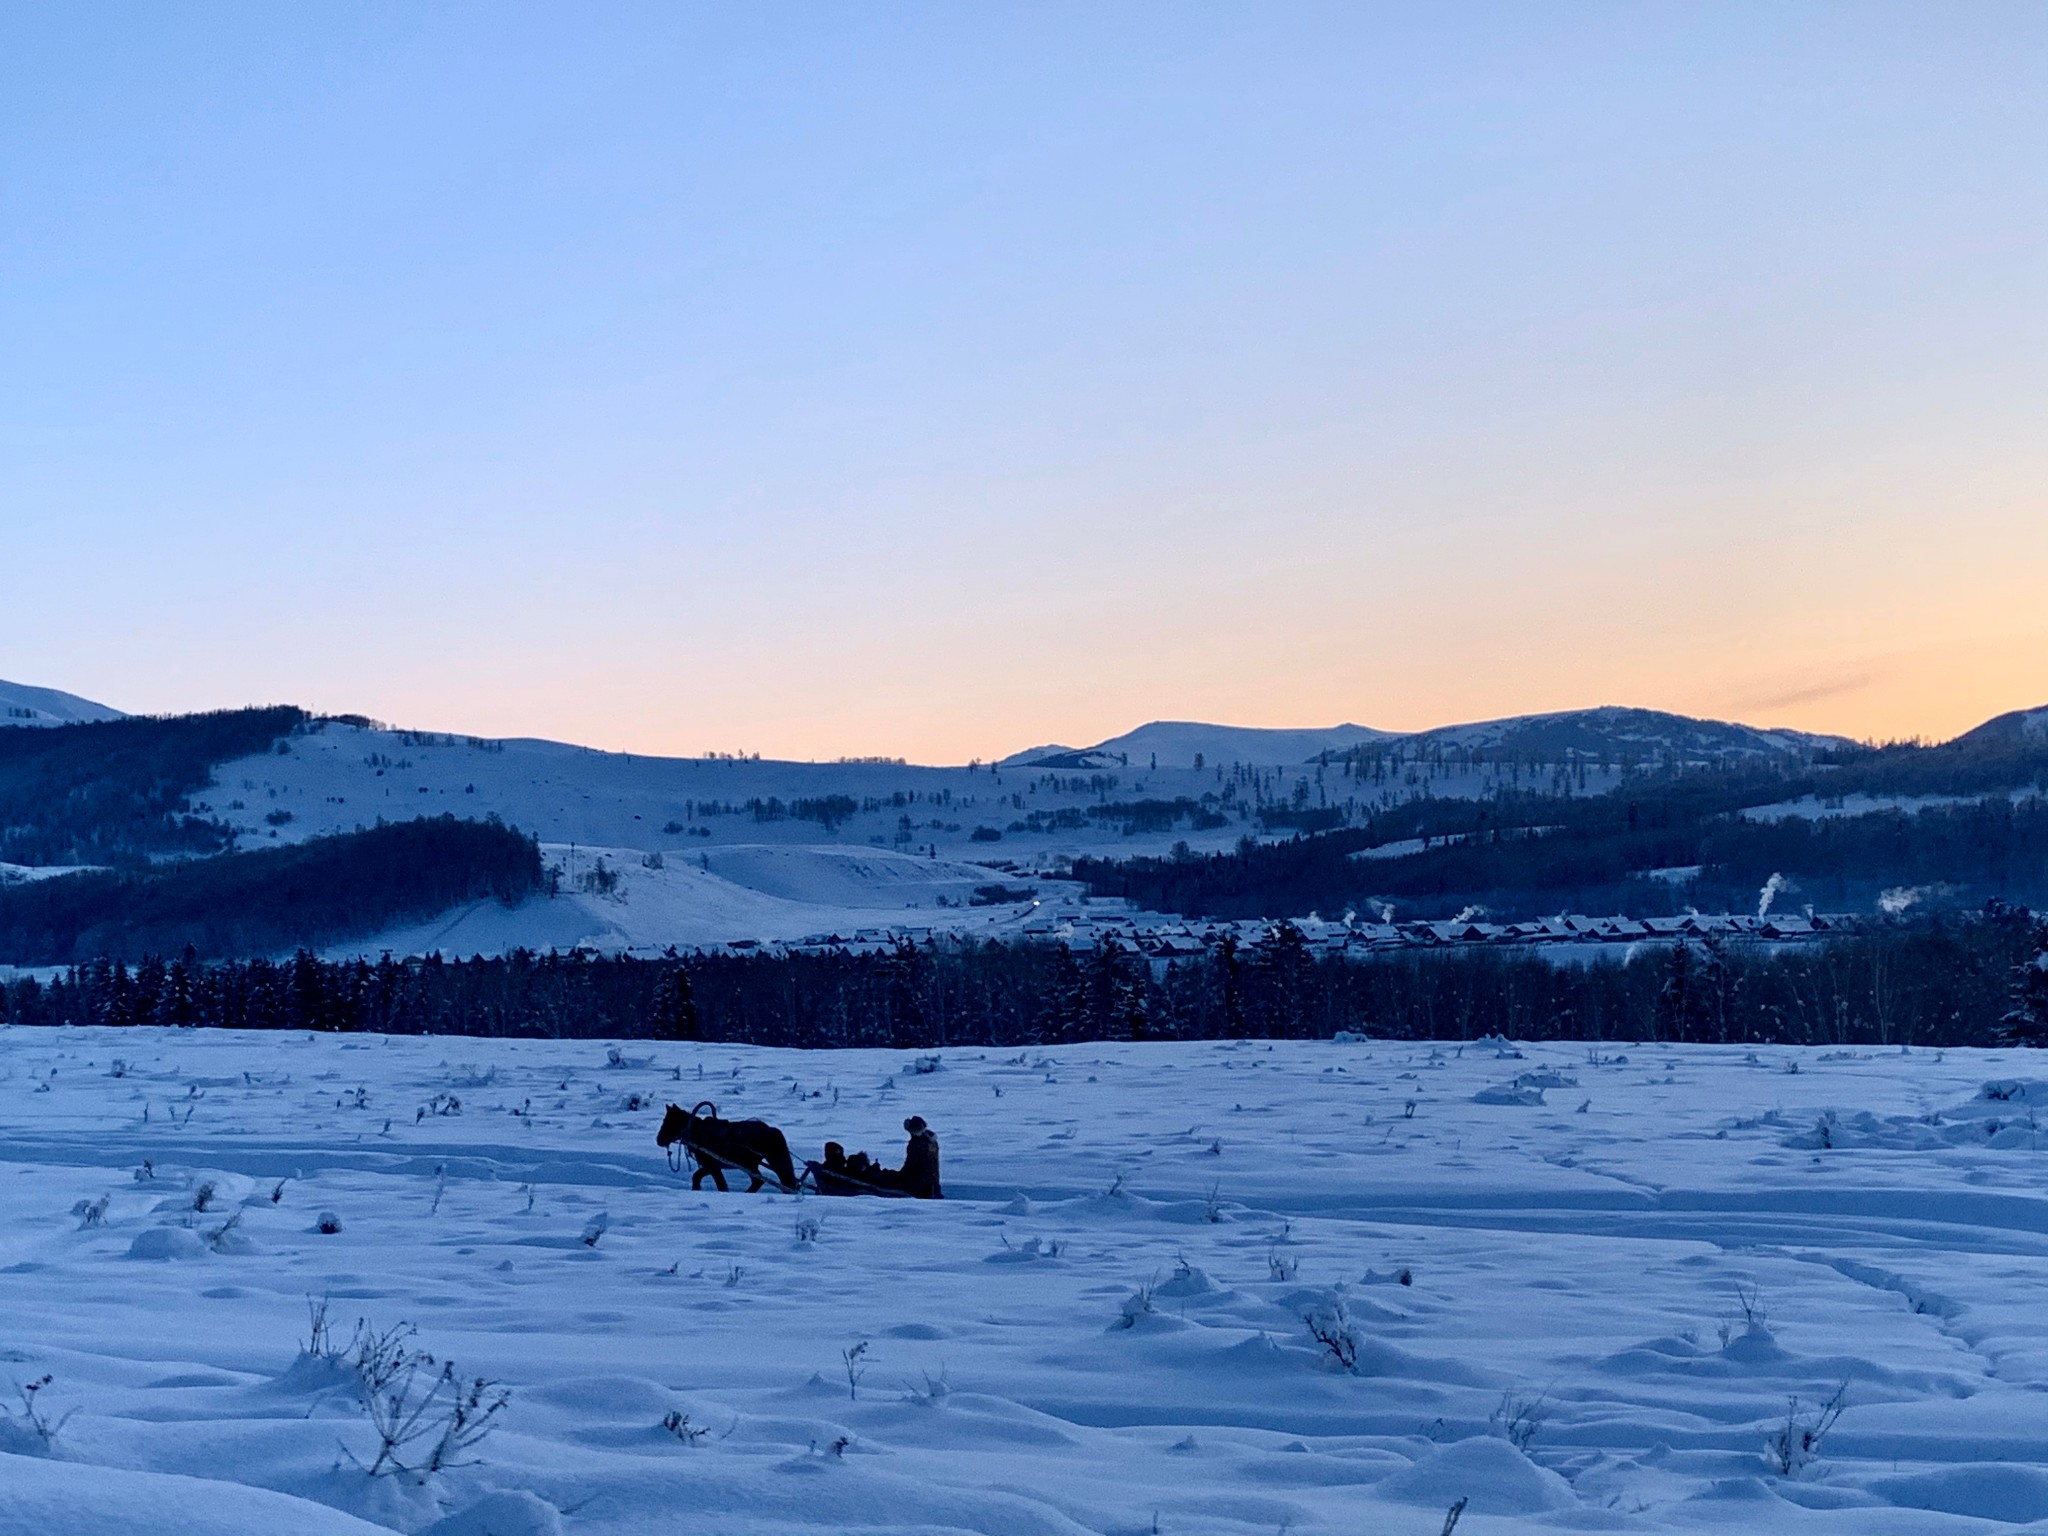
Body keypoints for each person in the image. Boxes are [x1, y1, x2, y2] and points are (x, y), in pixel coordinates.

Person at [900, 1115, 942, 1199]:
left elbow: (910, 1165)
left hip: (919, 1186)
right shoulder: (932, 1142)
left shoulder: (916, 1144)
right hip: (933, 1184)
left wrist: (900, 1176)